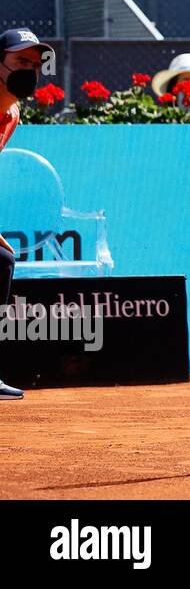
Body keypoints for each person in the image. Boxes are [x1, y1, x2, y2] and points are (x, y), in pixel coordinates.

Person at [0, 27, 57, 401]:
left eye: (36, 65)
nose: (30, 70)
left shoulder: (12, 114)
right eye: (21, 61)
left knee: (1, 259)